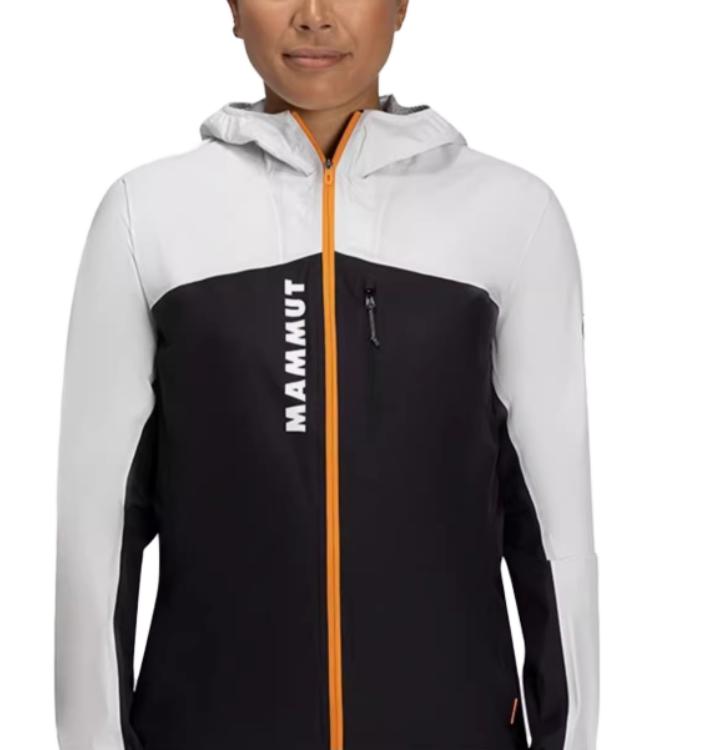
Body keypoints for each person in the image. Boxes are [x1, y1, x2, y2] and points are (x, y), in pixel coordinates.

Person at [54, 1, 599, 749]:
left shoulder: (511, 215)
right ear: (233, 8)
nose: (313, 16)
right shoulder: (146, 215)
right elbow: (96, 542)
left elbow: (555, 534)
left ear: (400, 5)